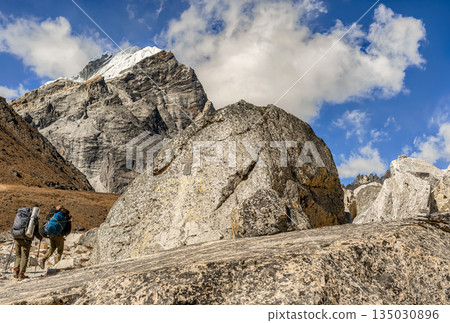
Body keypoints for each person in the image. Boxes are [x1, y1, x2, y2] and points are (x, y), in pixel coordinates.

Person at [11, 207, 42, 280]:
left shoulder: (20, 215)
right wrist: (40, 238)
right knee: (24, 256)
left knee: (18, 255)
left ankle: (15, 271)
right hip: (26, 239)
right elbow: (36, 231)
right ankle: (21, 274)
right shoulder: (33, 218)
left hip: (17, 236)